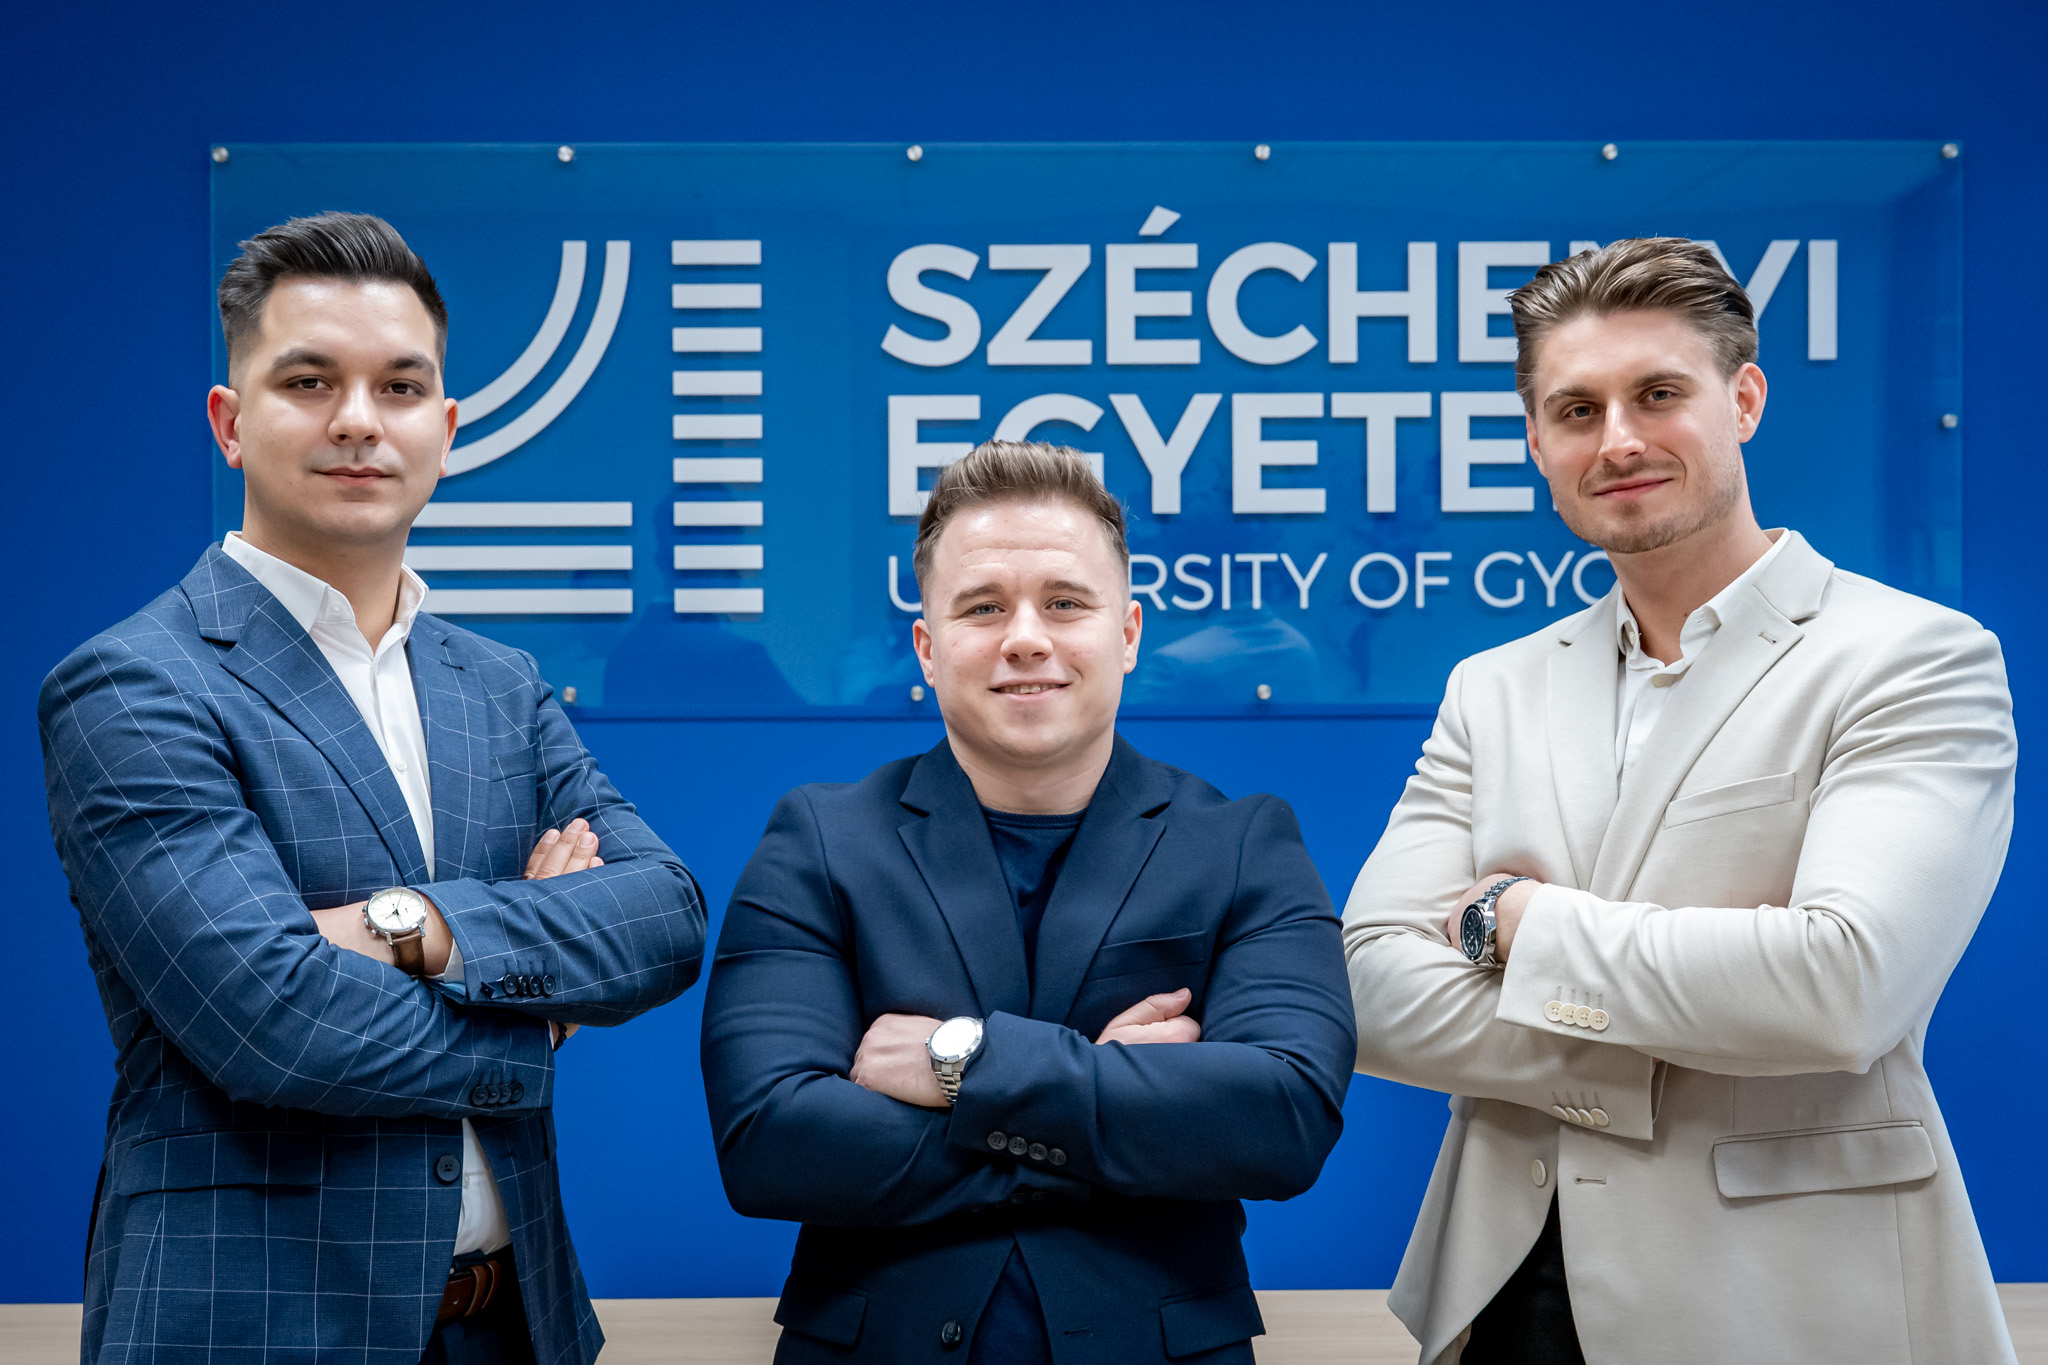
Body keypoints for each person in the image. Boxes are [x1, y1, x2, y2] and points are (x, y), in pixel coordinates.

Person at [40, 212, 706, 1365]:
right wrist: (540, 1014)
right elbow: (272, 1022)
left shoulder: (500, 686)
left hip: (513, 1328)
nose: (358, 419)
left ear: (442, 431)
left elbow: (663, 916)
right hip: (248, 1337)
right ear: (230, 423)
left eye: (399, 387)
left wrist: (414, 927)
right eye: (309, 382)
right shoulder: (135, 685)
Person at [1343, 238, 2017, 1364]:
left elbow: (1841, 988)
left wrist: (1514, 922)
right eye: (1576, 410)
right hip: (1503, 1293)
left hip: (1792, 1301)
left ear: (1742, 400)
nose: (1617, 440)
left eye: (1657, 394)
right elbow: (1368, 985)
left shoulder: (1910, 659)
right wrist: (1676, 1039)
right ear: (1536, 443)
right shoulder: (1492, 688)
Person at [700, 441, 1356, 1364]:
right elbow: (770, 1140)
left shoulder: (1243, 842)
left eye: (1064, 602)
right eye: (982, 607)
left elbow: (1283, 1118)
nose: (1025, 637)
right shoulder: (820, 842)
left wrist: (959, 1061)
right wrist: (1113, 1097)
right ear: (928, 649)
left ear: (1127, 633)